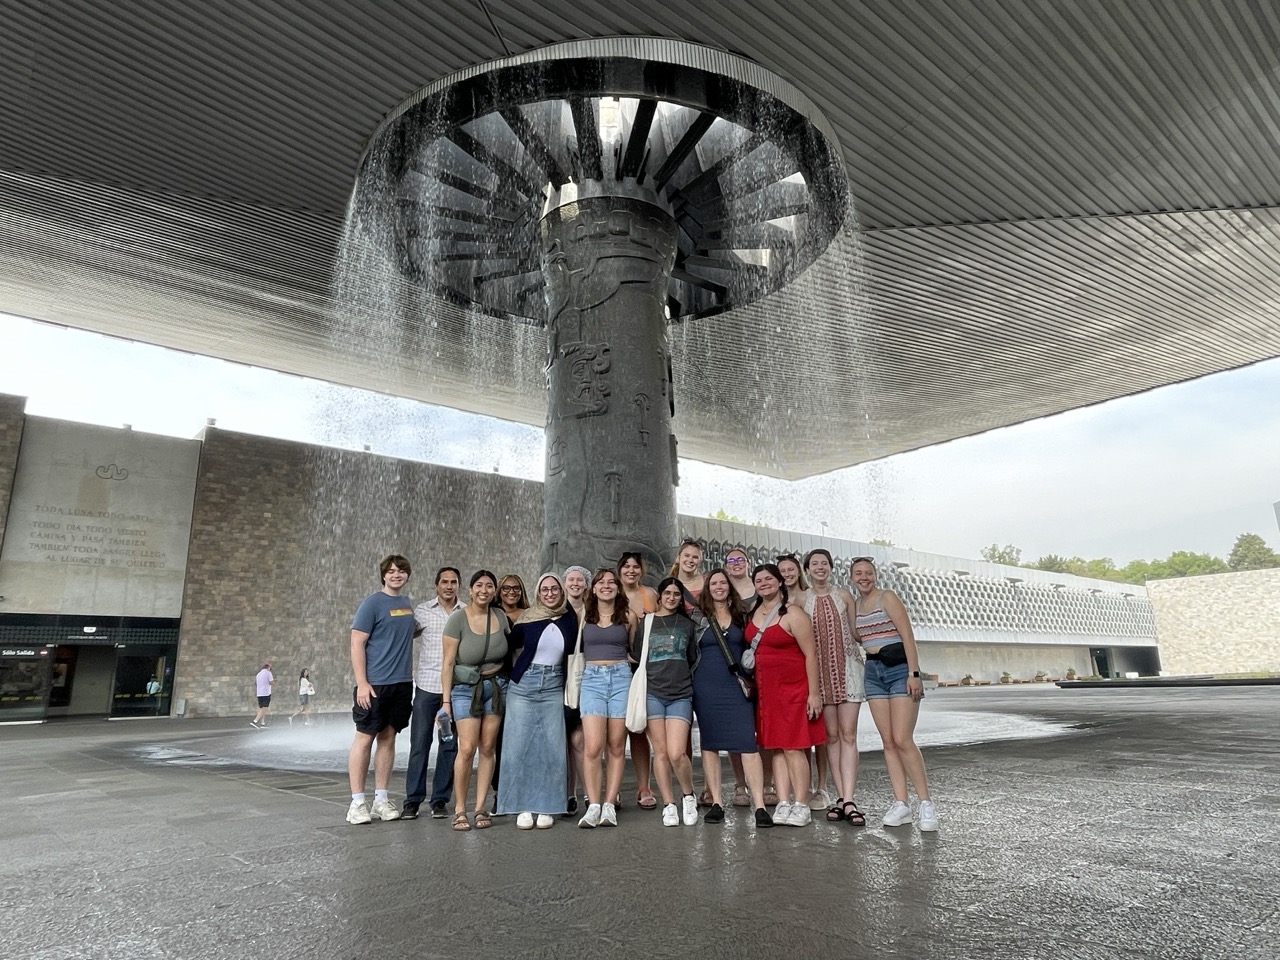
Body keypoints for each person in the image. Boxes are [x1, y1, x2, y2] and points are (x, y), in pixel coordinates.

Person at [851, 556, 939, 832]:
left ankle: (926, 803)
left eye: (868, 572)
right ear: (851, 578)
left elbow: (907, 636)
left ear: (875, 575)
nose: (863, 577)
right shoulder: (855, 605)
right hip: (873, 670)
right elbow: (859, 637)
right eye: (858, 573)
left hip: (898, 668)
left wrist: (914, 674)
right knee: (888, 741)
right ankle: (901, 803)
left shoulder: (886, 597)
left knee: (903, 739)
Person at [744, 563, 824, 827]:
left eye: (769, 578)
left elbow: (811, 654)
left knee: (793, 747)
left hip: (793, 689)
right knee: (776, 748)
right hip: (766, 692)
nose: (764, 583)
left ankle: (801, 803)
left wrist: (814, 693)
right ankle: (783, 800)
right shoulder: (754, 612)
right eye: (758, 580)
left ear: (780, 582)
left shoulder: (794, 613)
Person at [499, 572, 578, 830]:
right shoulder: (528, 617)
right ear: (537, 593)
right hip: (524, 684)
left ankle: (548, 805)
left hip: (554, 685)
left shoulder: (570, 618)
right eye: (545, 590)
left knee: (552, 747)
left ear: (561, 591)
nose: (550, 593)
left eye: (554, 589)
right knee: (517, 746)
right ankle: (521, 805)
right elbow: (507, 645)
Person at [692, 568, 771, 827]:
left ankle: (759, 805)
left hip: (737, 685)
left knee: (747, 743)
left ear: (729, 587)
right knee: (710, 744)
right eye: (714, 583)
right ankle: (716, 802)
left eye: (722, 583)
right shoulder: (698, 617)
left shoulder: (742, 616)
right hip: (706, 686)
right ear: (708, 588)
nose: (718, 587)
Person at [347, 555, 420, 825]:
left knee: (388, 738)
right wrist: (362, 683)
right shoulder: (372, 603)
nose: (396, 575)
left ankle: (381, 799)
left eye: (401, 571)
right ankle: (356, 803)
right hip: (375, 683)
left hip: (401, 683)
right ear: (383, 576)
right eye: (391, 572)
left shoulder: (406, 604)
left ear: (407, 575)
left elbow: (407, 632)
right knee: (364, 738)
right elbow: (357, 642)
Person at [441, 570, 510, 831]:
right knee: (467, 748)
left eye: (489, 586)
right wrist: (445, 702)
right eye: (479, 585)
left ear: (494, 591)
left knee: (488, 747)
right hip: (465, 689)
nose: (484, 590)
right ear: (470, 590)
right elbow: (448, 662)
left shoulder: (500, 616)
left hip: (496, 686)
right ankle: (460, 808)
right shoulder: (457, 619)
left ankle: (480, 807)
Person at [804, 548, 867, 825]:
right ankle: (840, 797)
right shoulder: (799, 599)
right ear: (807, 569)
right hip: (820, 676)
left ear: (831, 568)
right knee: (831, 736)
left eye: (824, 563)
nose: (820, 567)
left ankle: (850, 798)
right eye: (815, 563)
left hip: (849, 669)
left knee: (848, 734)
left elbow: (856, 631)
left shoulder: (844, 595)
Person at [576, 568, 635, 828]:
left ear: (618, 587)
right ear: (594, 588)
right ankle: (593, 805)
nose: (607, 586)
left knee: (616, 744)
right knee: (592, 746)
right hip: (591, 679)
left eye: (612, 582)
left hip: (621, 677)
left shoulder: (628, 616)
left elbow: (634, 652)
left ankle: (610, 804)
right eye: (602, 582)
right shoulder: (583, 616)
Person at [402, 566, 462, 820]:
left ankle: (440, 800)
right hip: (426, 688)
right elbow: (401, 637)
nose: (449, 586)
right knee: (420, 745)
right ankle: (413, 800)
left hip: (456, 689)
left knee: (449, 745)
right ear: (436, 585)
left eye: (454, 582)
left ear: (459, 585)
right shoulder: (422, 612)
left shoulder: (466, 612)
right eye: (445, 582)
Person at [641, 577, 701, 827]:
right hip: (653, 692)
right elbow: (638, 655)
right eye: (667, 593)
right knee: (661, 752)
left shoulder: (687, 625)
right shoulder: (647, 622)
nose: (672, 597)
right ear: (660, 595)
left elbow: (692, 657)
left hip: (680, 693)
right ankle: (668, 803)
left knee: (677, 752)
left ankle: (688, 795)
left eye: (677, 594)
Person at [618, 551, 659, 812]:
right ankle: (614, 789)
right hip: (620, 666)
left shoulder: (651, 595)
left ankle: (644, 786)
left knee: (641, 729)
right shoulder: (609, 592)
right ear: (619, 570)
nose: (631, 571)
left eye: (636, 567)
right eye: (626, 567)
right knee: (616, 732)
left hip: (647, 667)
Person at [562, 564, 591, 814]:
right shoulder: (558, 611)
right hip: (561, 679)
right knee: (565, 740)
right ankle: (569, 793)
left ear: (586, 584)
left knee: (580, 740)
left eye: (579, 579)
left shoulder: (592, 611)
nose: (575, 583)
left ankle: (588, 794)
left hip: (587, 678)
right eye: (571, 579)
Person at [669, 538, 705, 609]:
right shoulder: (669, 585)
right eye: (686, 555)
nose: (690, 560)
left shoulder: (708, 582)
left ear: (700, 562)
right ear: (678, 558)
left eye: (695, 557)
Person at [723, 547, 756, 613]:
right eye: (731, 561)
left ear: (749, 564)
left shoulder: (759, 585)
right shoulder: (722, 588)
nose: (736, 563)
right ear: (726, 567)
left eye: (740, 560)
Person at [250, 661, 273, 728]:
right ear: (268, 667)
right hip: (266, 692)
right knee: (265, 708)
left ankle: (262, 723)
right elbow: (271, 682)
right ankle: (255, 721)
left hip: (259, 693)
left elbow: (255, 683)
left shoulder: (258, 674)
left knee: (261, 708)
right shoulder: (268, 673)